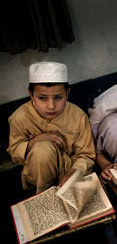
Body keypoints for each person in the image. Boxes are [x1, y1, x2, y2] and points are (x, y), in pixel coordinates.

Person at [8, 61, 96, 194]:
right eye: (42, 98)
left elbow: (86, 155)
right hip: (37, 176)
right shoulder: (20, 117)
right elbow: (15, 153)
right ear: (31, 95)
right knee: (43, 150)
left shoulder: (78, 116)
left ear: (67, 93)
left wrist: (74, 172)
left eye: (58, 97)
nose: (51, 106)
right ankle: (43, 195)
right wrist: (35, 141)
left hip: (69, 174)